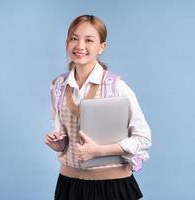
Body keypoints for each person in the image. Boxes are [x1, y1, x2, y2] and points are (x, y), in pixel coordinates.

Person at [45, 14, 152, 200]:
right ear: (67, 42)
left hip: (112, 185)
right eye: (73, 38)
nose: (79, 46)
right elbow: (65, 138)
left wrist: (99, 151)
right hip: (70, 183)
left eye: (89, 40)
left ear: (102, 47)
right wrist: (59, 144)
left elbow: (143, 139)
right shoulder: (57, 86)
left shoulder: (117, 87)